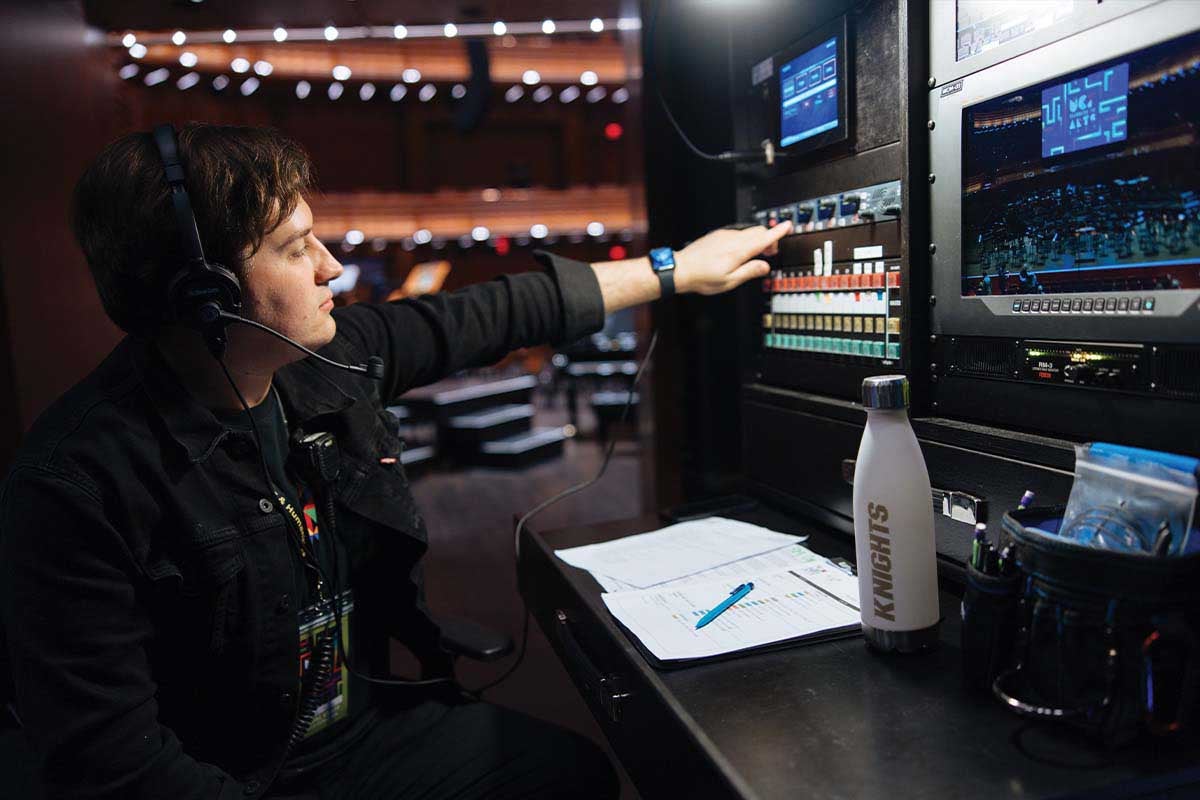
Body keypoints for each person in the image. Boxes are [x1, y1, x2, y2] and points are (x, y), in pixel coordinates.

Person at [0, 122, 792, 799]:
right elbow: (116, 767)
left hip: (360, 737)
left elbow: (492, 312)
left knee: (569, 774)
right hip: (236, 776)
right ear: (201, 296)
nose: (331, 268)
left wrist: (675, 270)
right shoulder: (75, 485)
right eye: (292, 247)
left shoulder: (324, 362)